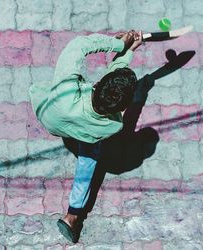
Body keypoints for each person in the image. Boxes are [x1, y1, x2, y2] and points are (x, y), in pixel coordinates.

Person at [29, 30, 143, 243]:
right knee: (88, 160)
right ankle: (73, 214)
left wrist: (117, 44)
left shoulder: (67, 88)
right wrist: (127, 53)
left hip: (50, 117)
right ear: (122, 108)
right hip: (85, 131)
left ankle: (73, 215)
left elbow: (79, 44)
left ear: (97, 85)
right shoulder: (113, 125)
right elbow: (114, 82)